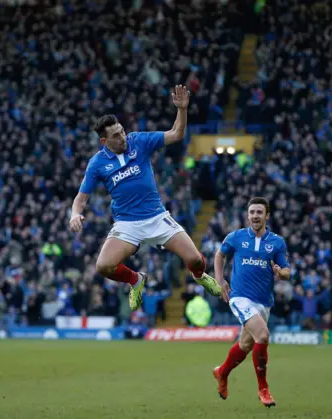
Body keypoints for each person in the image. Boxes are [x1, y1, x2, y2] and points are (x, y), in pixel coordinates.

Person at [68, 85, 221, 310]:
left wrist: (182, 110)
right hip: (127, 224)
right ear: (104, 141)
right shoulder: (97, 163)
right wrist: (75, 213)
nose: (122, 136)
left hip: (157, 217)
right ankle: (135, 280)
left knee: (195, 260)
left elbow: (176, 134)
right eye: (116, 135)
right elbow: (81, 198)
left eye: (121, 130)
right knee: (103, 266)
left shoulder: (139, 141)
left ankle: (200, 276)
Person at [211, 197, 291, 408]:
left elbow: (287, 272)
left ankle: (222, 372)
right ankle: (263, 389)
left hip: (263, 302)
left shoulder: (277, 242)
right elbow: (219, 256)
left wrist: (279, 272)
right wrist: (220, 281)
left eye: (259, 212)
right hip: (239, 297)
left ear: (267, 216)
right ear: (248, 215)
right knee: (263, 335)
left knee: (246, 344)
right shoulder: (236, 237)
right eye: (252, 212)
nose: (255, 216)